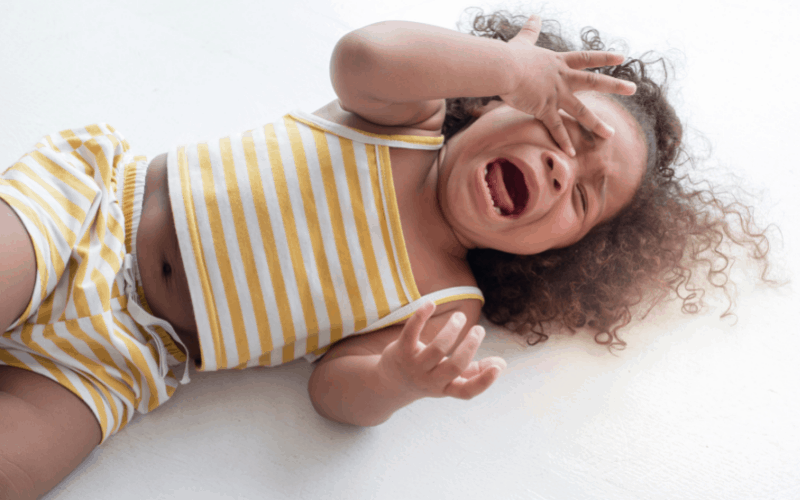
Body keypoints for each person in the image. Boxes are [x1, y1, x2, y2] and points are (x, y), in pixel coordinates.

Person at [0, 10, 769, 499]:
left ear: (558, 253)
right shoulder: (401, 120)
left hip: (131, 353)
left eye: (583, 199)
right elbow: (362, 55)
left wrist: (396, 379)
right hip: (93, 216)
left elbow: (333, 393)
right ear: (493, 101)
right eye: (564, 129)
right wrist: (504, 63)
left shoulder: (446, 301)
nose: (565, 168)